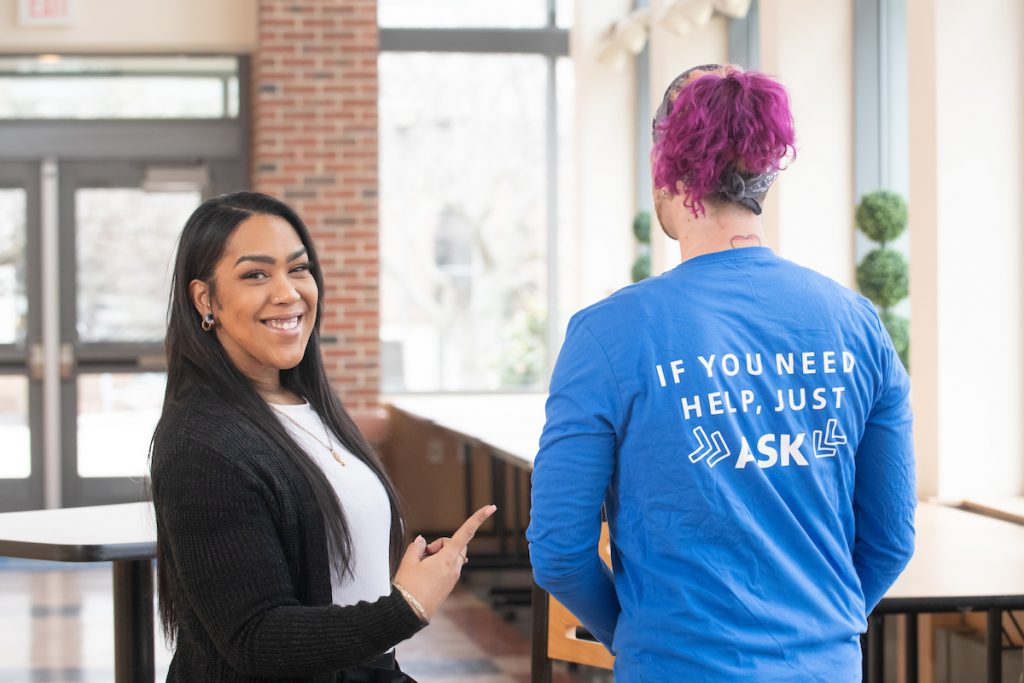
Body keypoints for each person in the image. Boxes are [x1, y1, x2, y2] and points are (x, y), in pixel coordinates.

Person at [527, 65, 915, 681]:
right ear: (765, 169)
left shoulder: (608, 334)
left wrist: (634, 636)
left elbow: (558, 552)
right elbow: (891, 539)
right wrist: (820, 631)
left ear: (666, 167)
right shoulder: (858, 324)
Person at [150, 191, 495, 682]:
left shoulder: (310, 408)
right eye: (255, 274)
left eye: (298, 269)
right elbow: (256, 638)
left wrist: (409, 584)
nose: (288, 292)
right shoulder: (201, 443)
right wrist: (408, 606)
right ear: (206, 299)